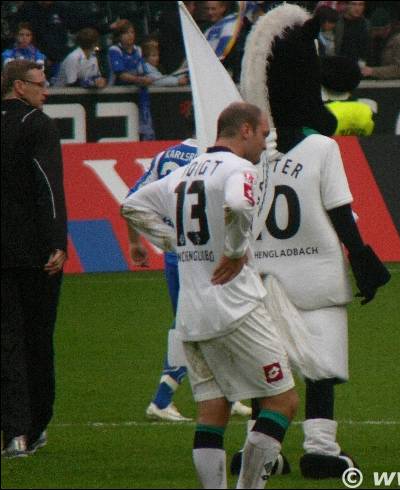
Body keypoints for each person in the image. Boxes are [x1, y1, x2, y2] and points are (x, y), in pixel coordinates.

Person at [239, 3, 390, 479]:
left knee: (270, 369)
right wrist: (363, 259)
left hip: (265, 277)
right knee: (322, 366)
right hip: (318, 275)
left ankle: (262, 449)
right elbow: (340, 210)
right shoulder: (322, 148)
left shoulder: (252, 157)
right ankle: (321, 447)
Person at [122, 102, 299, 488]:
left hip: (192, 313)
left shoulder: (185, 172)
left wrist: (176, 242)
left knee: (212, 413)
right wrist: (234, 251)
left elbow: (131, 206)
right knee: (282, 402)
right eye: (263, 134)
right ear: (246, 130)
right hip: (236, 307)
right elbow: (238, 203)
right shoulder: (239, 169)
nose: (266, 143)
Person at [127, 131, 252, 422]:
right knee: (197, 321)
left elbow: (132, 200)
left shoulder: (166, 155)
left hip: (178, 252)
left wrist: (135, 242)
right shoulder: (212, 160)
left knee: (208, 319)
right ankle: (162, 398)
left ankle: (229, 392)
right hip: (208, 252)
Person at [1, 60, 68, 458]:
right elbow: (49, 185)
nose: (46, 91)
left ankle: (13, 431)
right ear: (19, 87)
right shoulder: (37, 125)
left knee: (6, 340)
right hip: (33, 255)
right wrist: (57, 241)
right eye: (40, 84)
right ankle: (35, 426)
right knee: (37, 339)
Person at [361, 7, 400, 80]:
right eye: (373, 29)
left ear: (386, 28)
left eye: (377, 30)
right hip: (381, 80)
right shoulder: (374, 39)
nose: (374, 32)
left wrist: (373, 71)